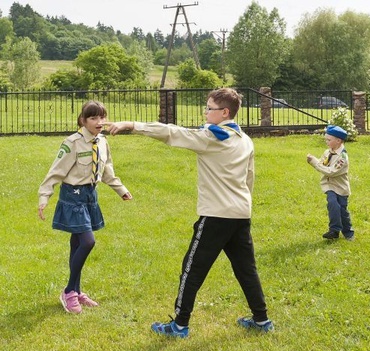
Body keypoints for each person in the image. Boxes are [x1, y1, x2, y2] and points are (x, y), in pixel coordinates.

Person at [106, 88, 273, 337]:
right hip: (240, 215)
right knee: (246, 268)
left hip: (216, 216)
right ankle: (262, 320)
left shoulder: (212, 137)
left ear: (225, 112)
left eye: (209, 108)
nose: (205, 112)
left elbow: (172, 133)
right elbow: (250, 177)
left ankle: (179, 325)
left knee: (192, 270)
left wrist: (132, 124)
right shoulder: (245, 139)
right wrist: (242, 205)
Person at [38, 100, 133, 314]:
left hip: (90, 195)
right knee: (88, 241)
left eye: (102, 117)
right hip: (73, 196)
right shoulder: (72, 142)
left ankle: (77, 291)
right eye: (93, 118)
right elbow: (55, 171)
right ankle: (69, 291)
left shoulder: (102, 142)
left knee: (77, 243)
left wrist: (121, 190)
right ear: (83, 120)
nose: (99, 122)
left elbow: (107, 170)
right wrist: (44, 197)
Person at [306, 125, 354, 240]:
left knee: (342, 211)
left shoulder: (342, 158)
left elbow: (331, 172)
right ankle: (334, 230)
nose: (326, 142)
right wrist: (314, 159)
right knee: (333, 204)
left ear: (338, 141)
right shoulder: (327, 152)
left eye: (329, 140)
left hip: (341, 188)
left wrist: (314, 163)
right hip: (329, 186)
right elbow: (323, 165)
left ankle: (348, 232)